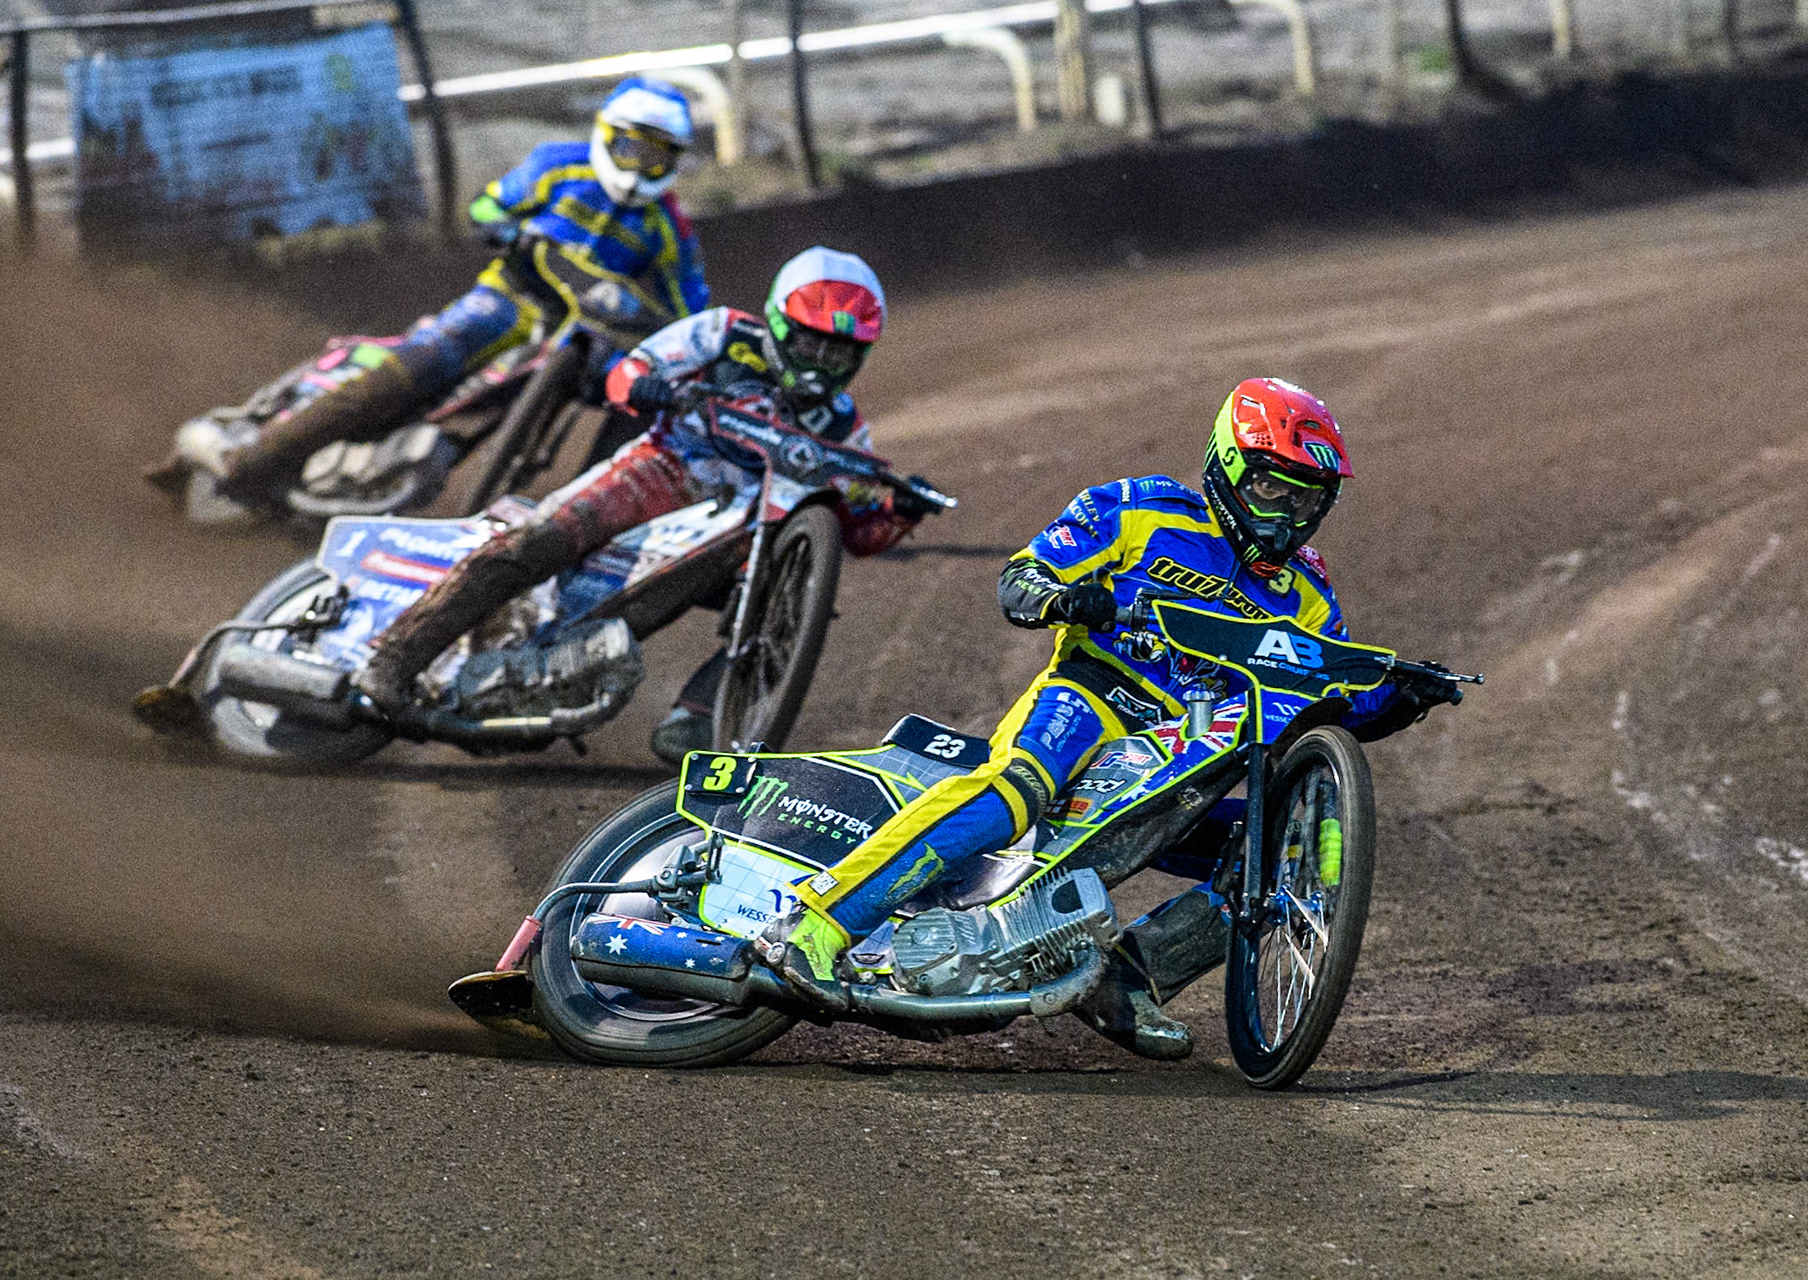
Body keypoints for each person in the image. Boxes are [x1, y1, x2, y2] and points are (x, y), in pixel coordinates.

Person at [751, 377, 1463, 1058]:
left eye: (1305, 501)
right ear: (1226, 463)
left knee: (1271, 853)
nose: (1283, 515)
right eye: (1270, 487)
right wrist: (1062, 598)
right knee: (1018, 787)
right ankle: (817, 923)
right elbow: (1024, 577)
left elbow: (1329, 695)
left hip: (1183, 747)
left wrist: (1400, 696)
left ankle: (1130, 980)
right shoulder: (1140, 508)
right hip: (1092, 694)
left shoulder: (1308, 590)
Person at [353, 246, 937, 760]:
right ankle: (396, 657)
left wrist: (901, 513)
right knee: (541, 539)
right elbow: (630, 370)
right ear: (780, 324)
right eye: (810, 343)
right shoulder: (724, 333)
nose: (819, 364)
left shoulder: (843, 425)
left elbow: (858, 533)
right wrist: (643, 386)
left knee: (801, 593)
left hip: (736, 530)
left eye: (838, 355)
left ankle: (697, 717)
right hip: (665, 468)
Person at [153, 77, 709, 510]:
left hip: (578, 338)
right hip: (509, 302)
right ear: (608, 135)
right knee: (424, 362)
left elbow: (691, 313)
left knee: (637, 398)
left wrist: (663, 336)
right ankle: (253, 458)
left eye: (657, 157)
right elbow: (487, 204)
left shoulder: (669, 229)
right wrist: (502, 226)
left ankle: (598, 516)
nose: (642, 167)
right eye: (634, 150)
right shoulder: (558, 167)